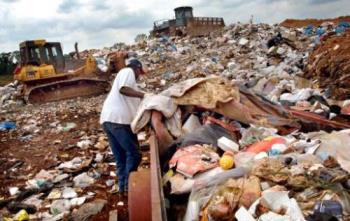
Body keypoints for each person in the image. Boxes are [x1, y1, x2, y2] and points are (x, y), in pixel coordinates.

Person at [100, 59, 146, 195]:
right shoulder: (127, 71)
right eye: (140, 72)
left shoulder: (130, 83)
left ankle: (122, 188)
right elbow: (123, 89)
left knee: (121, 157)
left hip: (108, 120)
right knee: (134, 154)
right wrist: (144, 95)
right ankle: (128, 187)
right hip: (119, 121)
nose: (139, 76)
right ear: (137, 68)